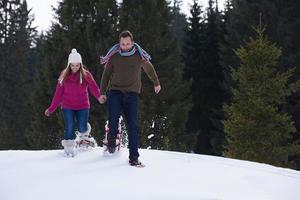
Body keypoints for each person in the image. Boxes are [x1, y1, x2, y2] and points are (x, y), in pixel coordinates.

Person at [99, 30, 161, 166]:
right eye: (122, 44)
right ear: (119, 43)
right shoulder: (114, 56)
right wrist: (102, 92)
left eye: (127, 44)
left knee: (133, 126)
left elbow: (149, 69)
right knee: (113, 120)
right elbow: (106, 75)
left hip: (132, 95)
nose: (125, 46)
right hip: (115, 92)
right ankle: (111, 140)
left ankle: (134, 157)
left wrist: (156, 82)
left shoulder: (139, 55)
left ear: (132, 43)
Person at [45, 48, 102, 157]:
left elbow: (94, 88)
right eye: (72, 65)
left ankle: (85, 130)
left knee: (81, 127)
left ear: (80, 65)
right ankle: (68, 149)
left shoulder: (86, 75)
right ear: (69, 65)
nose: (74, 68)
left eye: (77, 65)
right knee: (70, 126)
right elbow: (58, 94)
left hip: (83, 105)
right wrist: (51, 109)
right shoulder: (63, 76)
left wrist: (99, 97)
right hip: (67, 106)